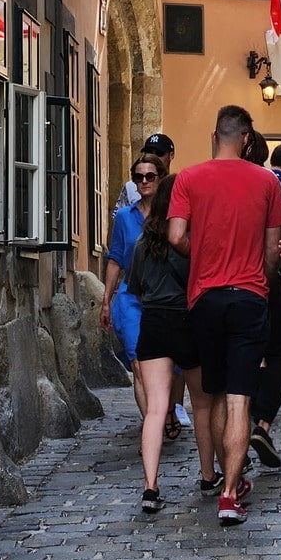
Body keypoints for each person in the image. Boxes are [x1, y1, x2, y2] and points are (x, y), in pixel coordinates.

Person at [168, 105, 281, 525]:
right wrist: (266, 283)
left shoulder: (188, 178)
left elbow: (176, 236)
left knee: (215, 394)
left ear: (214, 136)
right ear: (248, 140)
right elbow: (273, 249)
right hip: (249, 295)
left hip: (205, 299)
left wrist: (201, 254)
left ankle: (225, 479)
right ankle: (230, 493)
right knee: (240, 398)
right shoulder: (267, 181)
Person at [126, 174, 218, 514]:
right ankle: (208, 475)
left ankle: (150, 487)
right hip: (187, 320)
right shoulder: (190, 242)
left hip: (153, 323)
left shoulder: (141, 244)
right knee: (202, 404)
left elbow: (134, 288)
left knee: (155, 409)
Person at [100, 152, 166, 418]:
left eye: (150, 176)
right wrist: (106, 300)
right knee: (138, 363)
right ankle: (152, 421)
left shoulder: (171, 216)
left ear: (160, 179)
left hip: (162, 297)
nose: (144, 182)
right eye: (138, 177)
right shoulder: (125, 217)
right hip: (130, 298)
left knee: (163, 365)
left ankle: (165, 410)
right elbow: (115, 259)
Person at [243, 130, 281, 474]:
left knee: (237, 360)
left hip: (222, 285)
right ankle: (261, 425)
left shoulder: (210, 180)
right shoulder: (270, 183)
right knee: (278, 353)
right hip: (262, 280)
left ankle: (234, 437)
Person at [114, 133, 176, 212]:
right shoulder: (130, 188)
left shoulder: (178, 186)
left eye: (159, 153)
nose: (154, 157)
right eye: (149, 152)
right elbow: (120, 219)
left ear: (171, 155)